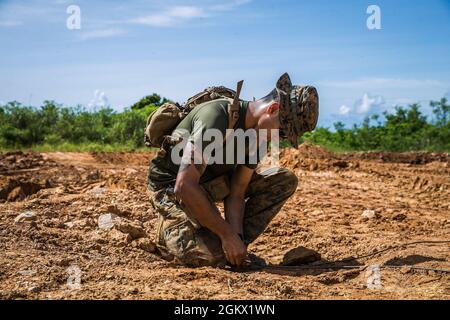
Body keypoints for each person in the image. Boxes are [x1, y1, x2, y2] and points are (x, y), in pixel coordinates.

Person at [148, 73, 319, 267]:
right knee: (213, 258)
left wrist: (235, 238)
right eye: (282, 131)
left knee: (284, 180)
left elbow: (237, 192)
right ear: (272, 109)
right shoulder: (217, 115)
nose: (280, 139)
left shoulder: (260, 137)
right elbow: (184, 186)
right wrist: (226, 234)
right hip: (172, 188)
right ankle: (169, 231)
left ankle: (229, 245)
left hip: (209, 184)